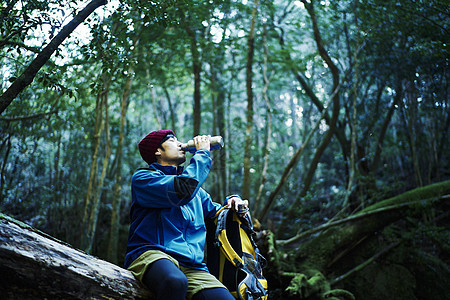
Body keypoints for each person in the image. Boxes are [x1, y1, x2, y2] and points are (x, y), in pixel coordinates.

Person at [124, 130, 248, 300]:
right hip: (152, 254)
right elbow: (181, 190)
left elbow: (218, 214)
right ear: (157, 151)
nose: (180, 143)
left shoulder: (197, 193)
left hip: (193, 265)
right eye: (172, 140)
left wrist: (234, 201)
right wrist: (203, 153)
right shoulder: (144, 179)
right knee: (175, 282)